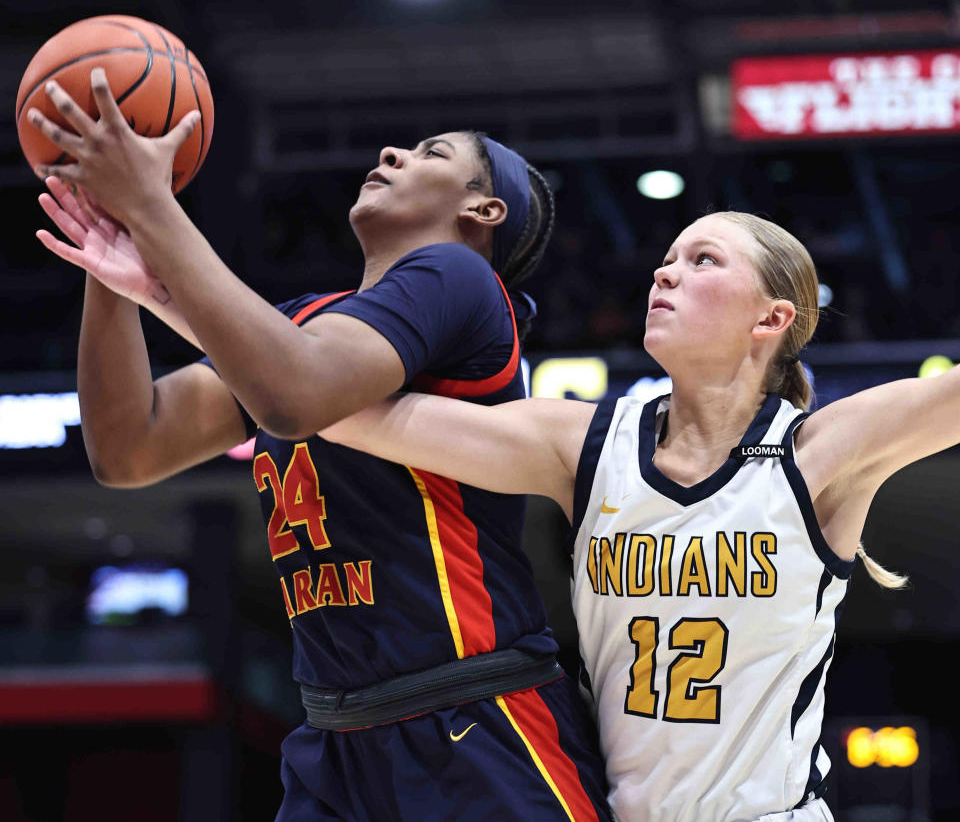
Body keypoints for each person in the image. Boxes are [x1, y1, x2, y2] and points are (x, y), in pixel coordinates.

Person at [28, 71, 612, 822]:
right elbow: (129, 447)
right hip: (336, 738)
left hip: (473, 719)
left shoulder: (459, 277)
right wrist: (111, 256)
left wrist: (152, 206)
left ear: (482, 208)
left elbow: (293, 394)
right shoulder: (299, 323)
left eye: (430, 153)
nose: (392, 152)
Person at [312, 210, 947, 822]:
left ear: (772, 316)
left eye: (702, 261)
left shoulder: (815, 452)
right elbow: (338, 411)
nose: (664, 274)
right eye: (667, 261)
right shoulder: (585, 443)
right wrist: (248, 336)